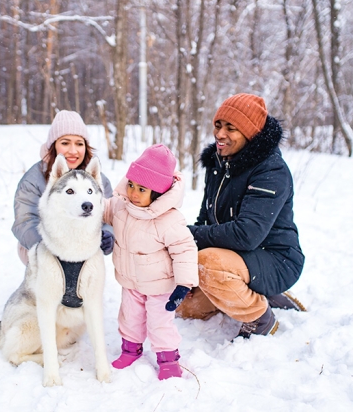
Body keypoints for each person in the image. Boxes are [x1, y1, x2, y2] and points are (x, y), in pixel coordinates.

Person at [177, 93, 306, 339]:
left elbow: (247, 235)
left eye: (231, 128)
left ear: (250, 132)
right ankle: (250, 291)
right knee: (183, 309)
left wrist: (186, 235)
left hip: (276, 259)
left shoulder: (271, 171)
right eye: (218, 125)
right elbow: (206, 220)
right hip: (234, 255)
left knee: (207, 263)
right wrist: (186, 264)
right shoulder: (219, 163)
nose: (220, 134)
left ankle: (260, 316)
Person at [103, 144, 198, 380]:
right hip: (130, 281)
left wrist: (184, 284)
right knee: (129, 317)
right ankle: (130, 349)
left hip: (159, 287)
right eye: (131, 185)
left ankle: (168, 359)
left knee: (159, 323)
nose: (133, 193)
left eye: (142, 189)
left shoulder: (169, 219)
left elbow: (185, 249)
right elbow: (101, 209)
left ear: (157, 192)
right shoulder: (120, 207)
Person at [12, 110, 115, 264]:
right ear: (53, 146)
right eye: (65, 143)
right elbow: (25, 221)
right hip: (45, 247)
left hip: (85, 248)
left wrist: (107, 234)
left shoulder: (96, 180)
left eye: (79, 144)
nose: (73, 151)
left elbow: (110, 215)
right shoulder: (34, 179)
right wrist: (51, 245)